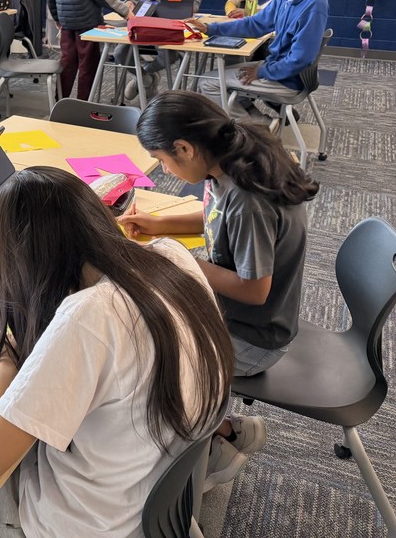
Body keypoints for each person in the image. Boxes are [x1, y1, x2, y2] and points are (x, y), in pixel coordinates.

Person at [0, 166, 233, 537]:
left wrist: (8, 363)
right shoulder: (171, 255)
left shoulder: (88, 316)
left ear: (27, 255)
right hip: (146, 486)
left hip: (86, 523)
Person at [119, 90, 319, 490]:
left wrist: (178, 257)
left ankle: (212, 451)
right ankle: (226, 429)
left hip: (255, 335)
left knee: (150, 359)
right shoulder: (231, 155)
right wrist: (161, 225)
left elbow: (255, 290)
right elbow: (217, 215)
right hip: (239, 315)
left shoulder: (247, 199)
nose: (164, 169)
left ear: (184, 148)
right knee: (145, 320)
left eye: (162, 160)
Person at [191, 0, 328, 124]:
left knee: (208, 82)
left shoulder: (314, 2)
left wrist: (262, 71)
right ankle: (259, 123)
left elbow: (301, 58)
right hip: (277, 67)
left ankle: (255, 130)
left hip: (287, 79)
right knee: (224, 75)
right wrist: (210, 28)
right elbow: (255, 24)